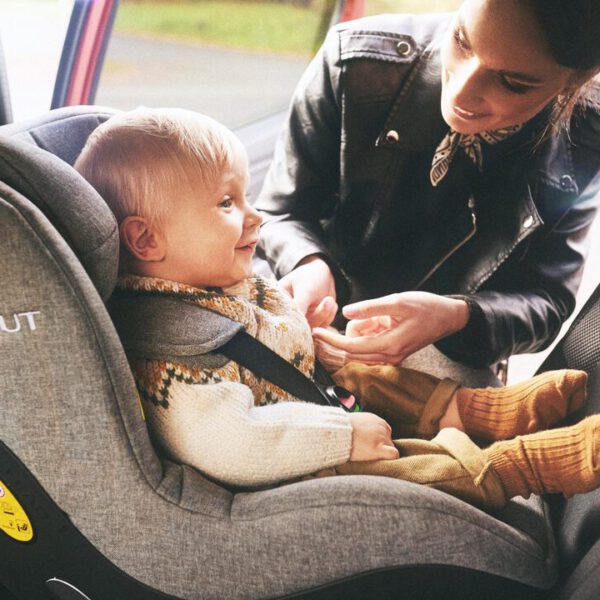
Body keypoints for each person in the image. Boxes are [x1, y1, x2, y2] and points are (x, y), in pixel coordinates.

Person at [75, 107, 600, 510]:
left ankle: (482, 413)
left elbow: (260, 343)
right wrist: (342, 437)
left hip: (305, 394)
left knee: (366, 371)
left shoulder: (206, 284)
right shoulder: (168, 357)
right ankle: (516, 466)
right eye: (226, 203)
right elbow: (232, 443)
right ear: (146, 240)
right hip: (299, 470)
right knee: (408, 472)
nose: (254, 217)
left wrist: (304, 335)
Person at [256, 0, 600, 370]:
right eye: (461, 41)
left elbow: (547, 300)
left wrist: (458, 317)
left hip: (447, 356)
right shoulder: (352, 62)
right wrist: (308, 262)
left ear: (577, 80)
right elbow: (279, 211)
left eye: (512, 83)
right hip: (308, 320)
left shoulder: (587, 137)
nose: (461, 93)